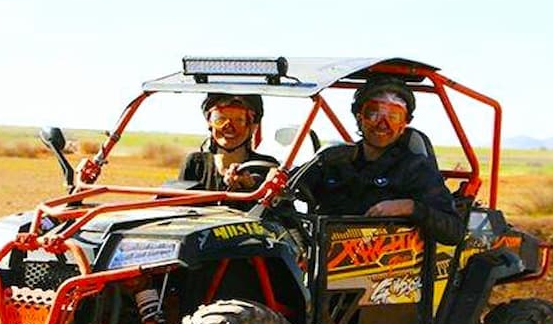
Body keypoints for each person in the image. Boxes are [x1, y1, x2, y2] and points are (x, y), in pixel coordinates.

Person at [295, 77, 465, 243]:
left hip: (387, 266)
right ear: (359, 117)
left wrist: (409, 207)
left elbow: (454, 231)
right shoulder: (335, 161)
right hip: (320, 259)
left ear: (404, 124)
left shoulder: (415, 168)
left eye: (393, 116)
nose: (382, 124)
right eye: (373, 113)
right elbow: (291, 185)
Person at [178, 93, 280, 192]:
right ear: (209, 123)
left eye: (239, 120)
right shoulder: (196, 163)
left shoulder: (267, 167)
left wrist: (252, 187)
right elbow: (177, 205)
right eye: (220, 120)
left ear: (253, 126)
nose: (229, 128)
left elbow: (283, 207)